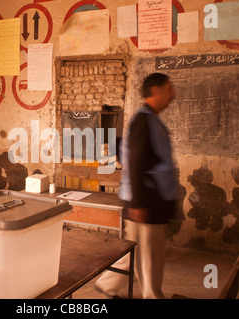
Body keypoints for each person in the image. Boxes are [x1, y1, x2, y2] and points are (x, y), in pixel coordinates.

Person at [95, 73, 178, 299]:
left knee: (139, 249)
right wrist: (139, 203)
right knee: (150, 256)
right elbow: (135, 162)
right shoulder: (144, 120)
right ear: (155, 92)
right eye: (169, 89)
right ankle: (152, 296)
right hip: (145, 201)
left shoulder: (150, 119)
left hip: (148, 199)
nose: (173, 95)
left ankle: (107, 284)